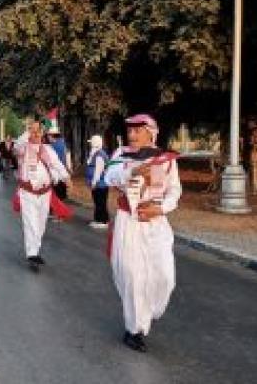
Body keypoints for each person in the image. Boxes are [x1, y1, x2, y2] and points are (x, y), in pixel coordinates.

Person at [104, 114, 181, 353]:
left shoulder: (165, 159)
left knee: (164, 277)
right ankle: (134, 329)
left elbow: (174, 190)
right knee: (133, 275)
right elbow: (109, 177)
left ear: (151, 132)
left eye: (138, 130)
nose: (132, 135)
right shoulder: (121, 155)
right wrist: (134, 172)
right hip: (129, 222)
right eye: (130, 130)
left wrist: (161, 208)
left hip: (157, 224)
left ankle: (147, 311)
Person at [13, 118, 72, 272]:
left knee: (40, 223)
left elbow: (57, 164)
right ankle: (32, 254)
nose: (36, 133)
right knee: (30, 222)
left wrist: (66, 178)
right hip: (28, 193)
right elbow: (17, 145)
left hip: (45, 193)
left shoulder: (47, 149)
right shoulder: (22, 149)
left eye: (39, 131)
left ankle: (35, 250)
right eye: (33, 131)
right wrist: (29, 130)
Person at [85, 135, 110, 229]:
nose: (90, 144)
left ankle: (102, 221)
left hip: (100, 184)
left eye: (91, 142)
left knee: (100, 202)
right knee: (99, 202)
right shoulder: (96, 153)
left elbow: (98, 171)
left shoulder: (99, 155)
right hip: (100, 184)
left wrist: (94, 183)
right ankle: (99, 219)